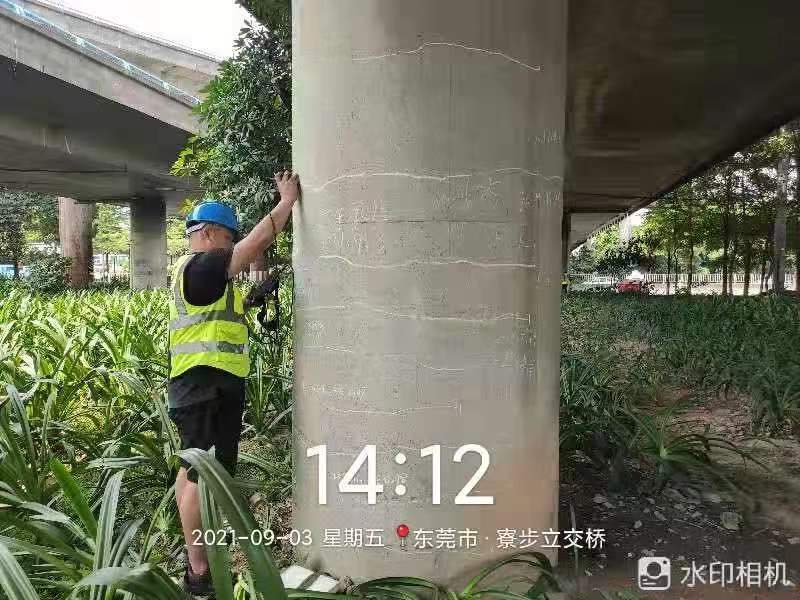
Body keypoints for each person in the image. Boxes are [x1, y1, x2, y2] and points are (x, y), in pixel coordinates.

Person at [168, 170, 300, 596]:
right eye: (227, 238)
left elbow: (220, 316)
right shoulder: (202, 266)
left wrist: (253, 299)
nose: (231, 246)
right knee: (200, 473)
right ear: (207, 233)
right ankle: (200, 572)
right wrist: (286, 202)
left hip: (201, 386)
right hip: (205, 385)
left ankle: (197, 553)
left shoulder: (200, 276)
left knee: (192, 470)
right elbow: (254, 246)